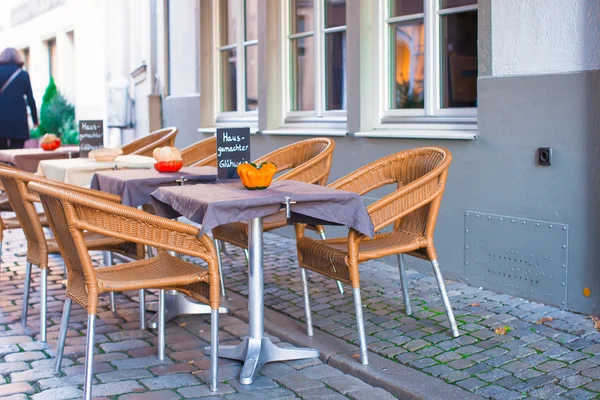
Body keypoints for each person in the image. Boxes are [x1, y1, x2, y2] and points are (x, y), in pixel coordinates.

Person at [0, 48, 38, 149]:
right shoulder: (23, 74)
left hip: (1, 118)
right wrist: (35, 120)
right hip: (18, 120)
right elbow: (30, 99)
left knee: (1, 155)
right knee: (16, 154)